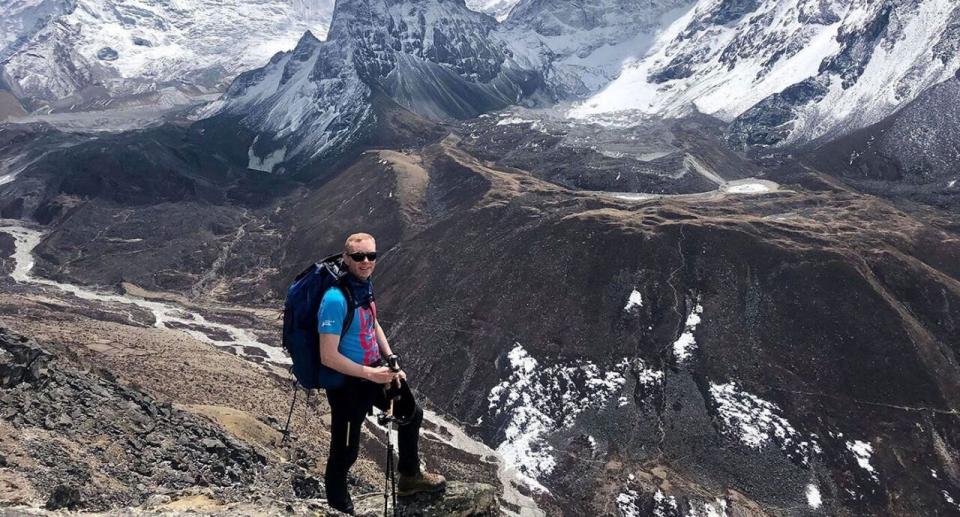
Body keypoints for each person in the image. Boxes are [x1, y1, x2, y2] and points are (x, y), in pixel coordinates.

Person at [318, 232, 446, 514]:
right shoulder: (335, 299)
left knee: (411, 413)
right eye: (358, 257)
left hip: (375, 370)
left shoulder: (363, 287)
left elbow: (372, 325)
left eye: (371, 256)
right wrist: (371, 374)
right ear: (346, 258)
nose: (366, 262)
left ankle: (410, 476)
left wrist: (391, 360)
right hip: (347, 385)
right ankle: (339, 508)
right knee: (345, 451)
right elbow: (328, 357)